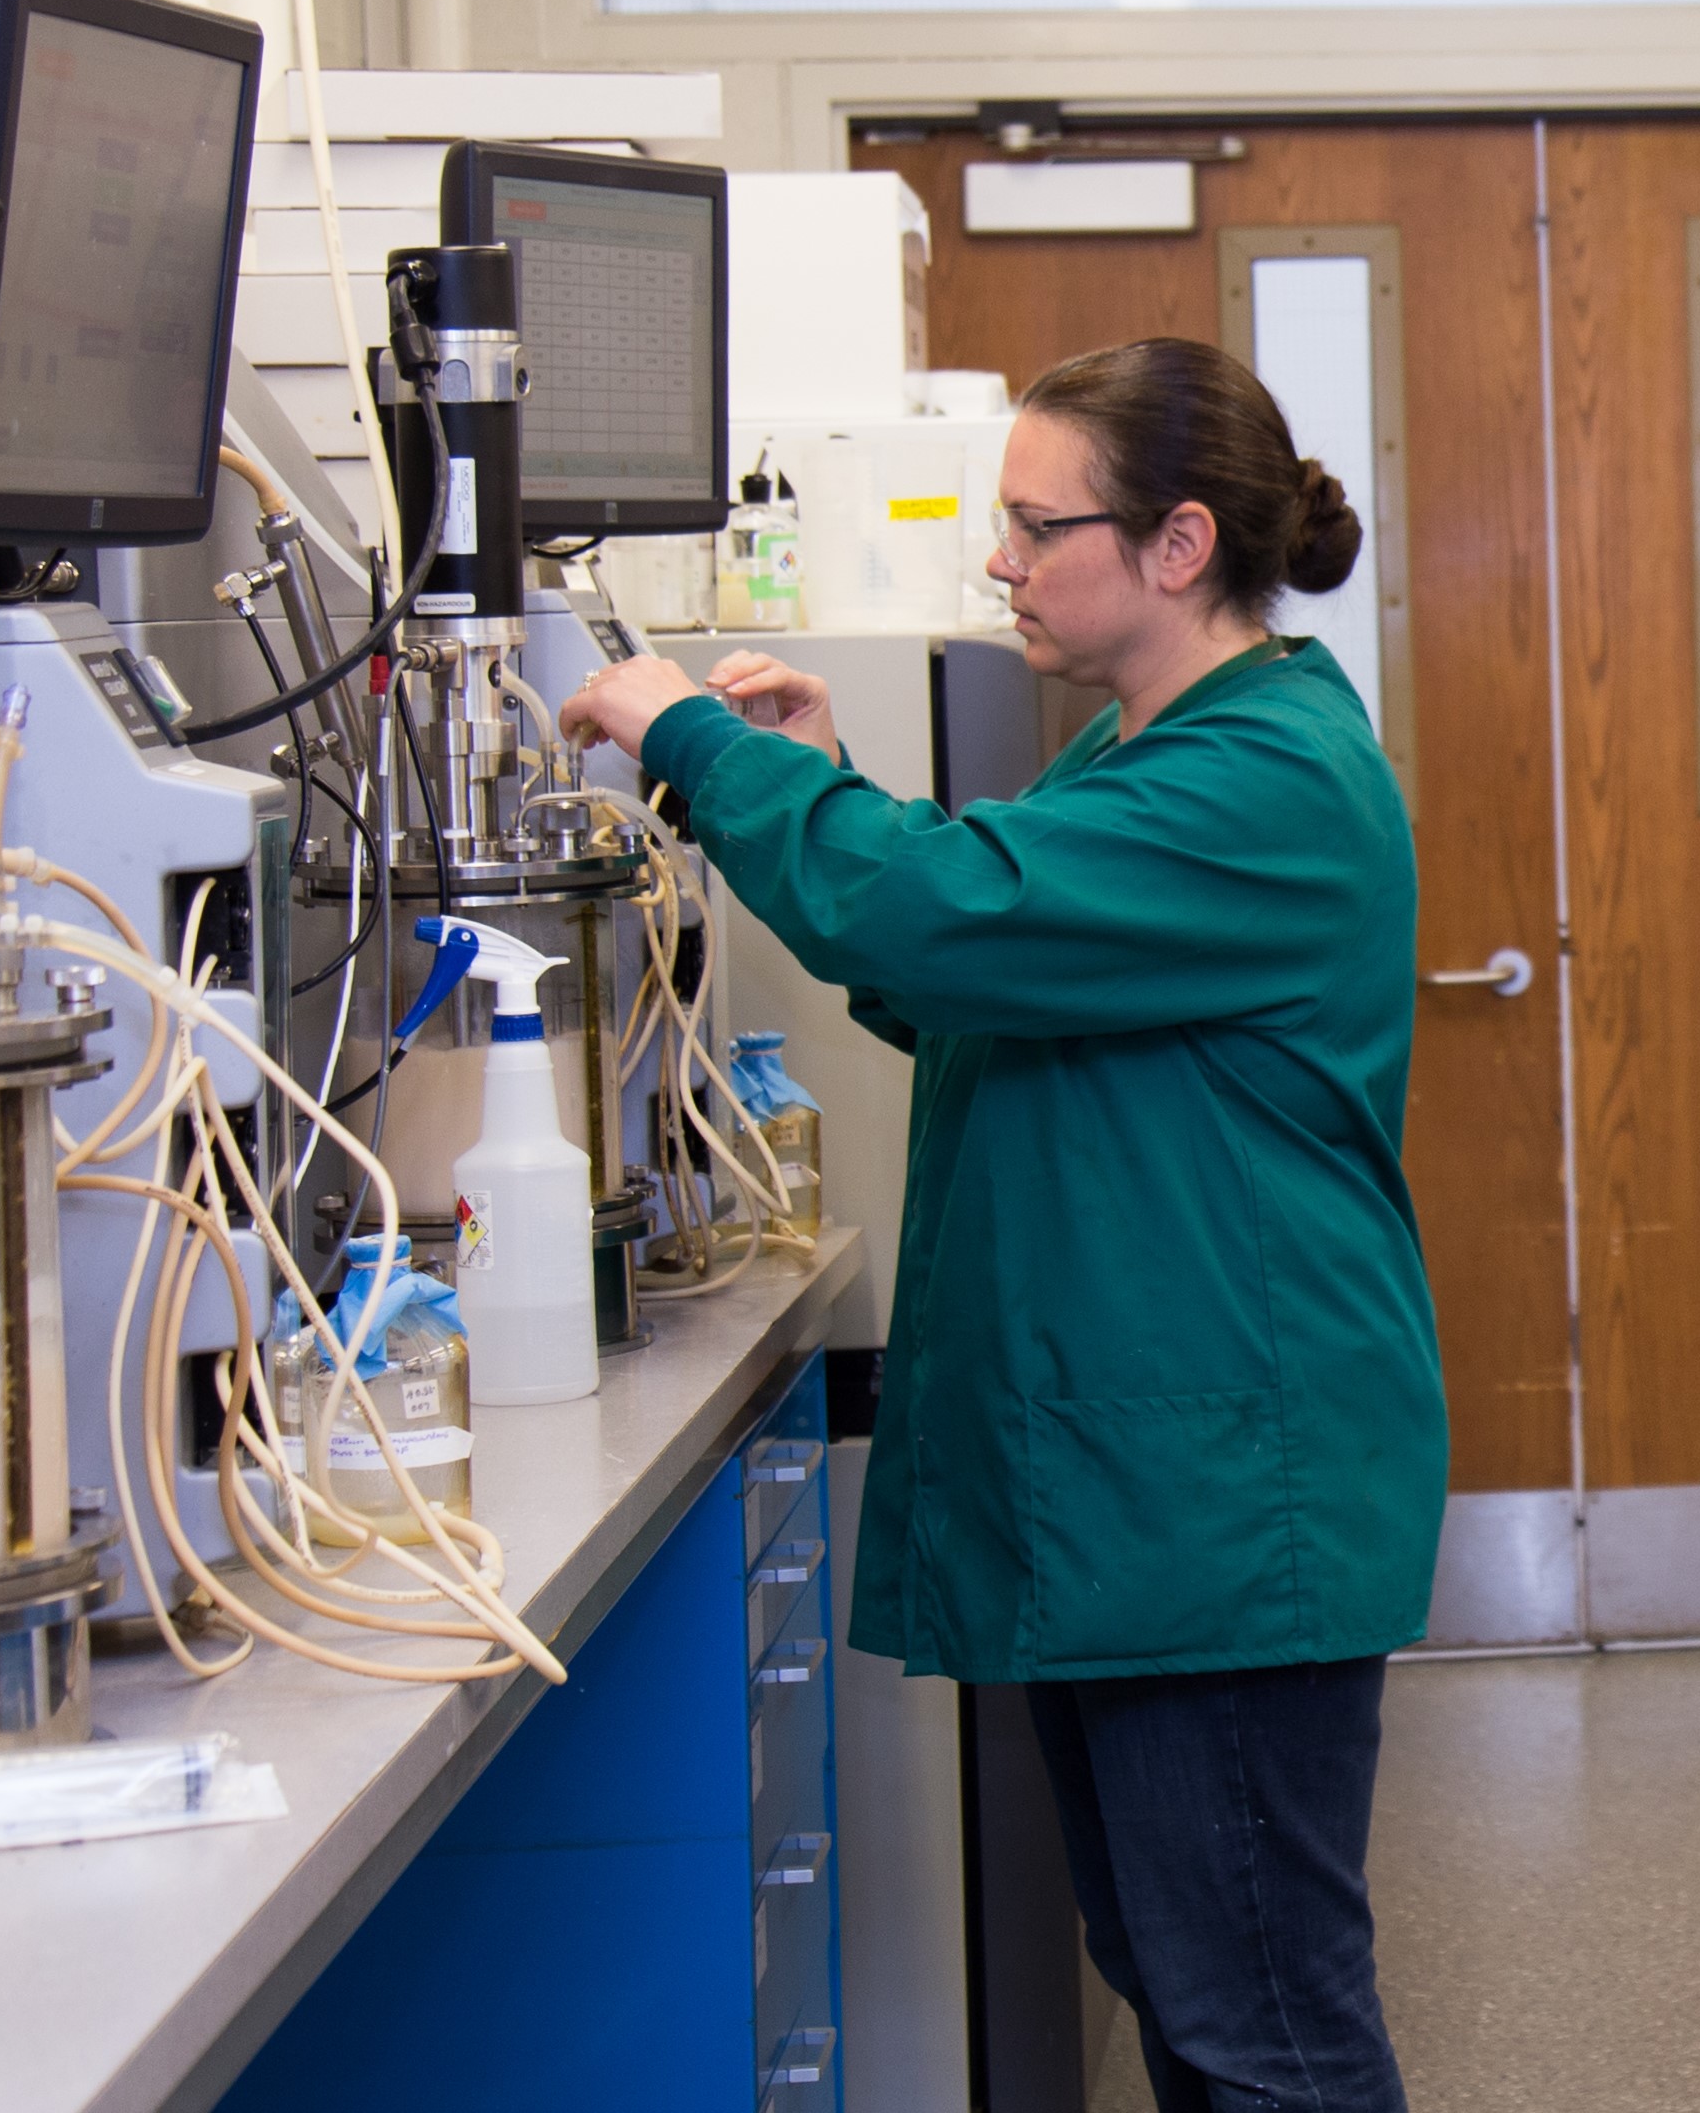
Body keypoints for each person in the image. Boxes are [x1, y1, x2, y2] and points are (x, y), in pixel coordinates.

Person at [563, 339, 1443, 2113]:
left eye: (1038, 529)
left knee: (1263, 2030)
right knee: (1191, 1998)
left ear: (1178, 543)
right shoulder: (1150, 754)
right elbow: (974, 971)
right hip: (1151, 1489)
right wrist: (813, 778)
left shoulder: (1261, 777)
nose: (1000, 562)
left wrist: (692, 741)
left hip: (1219, 1500)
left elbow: (946, 917)